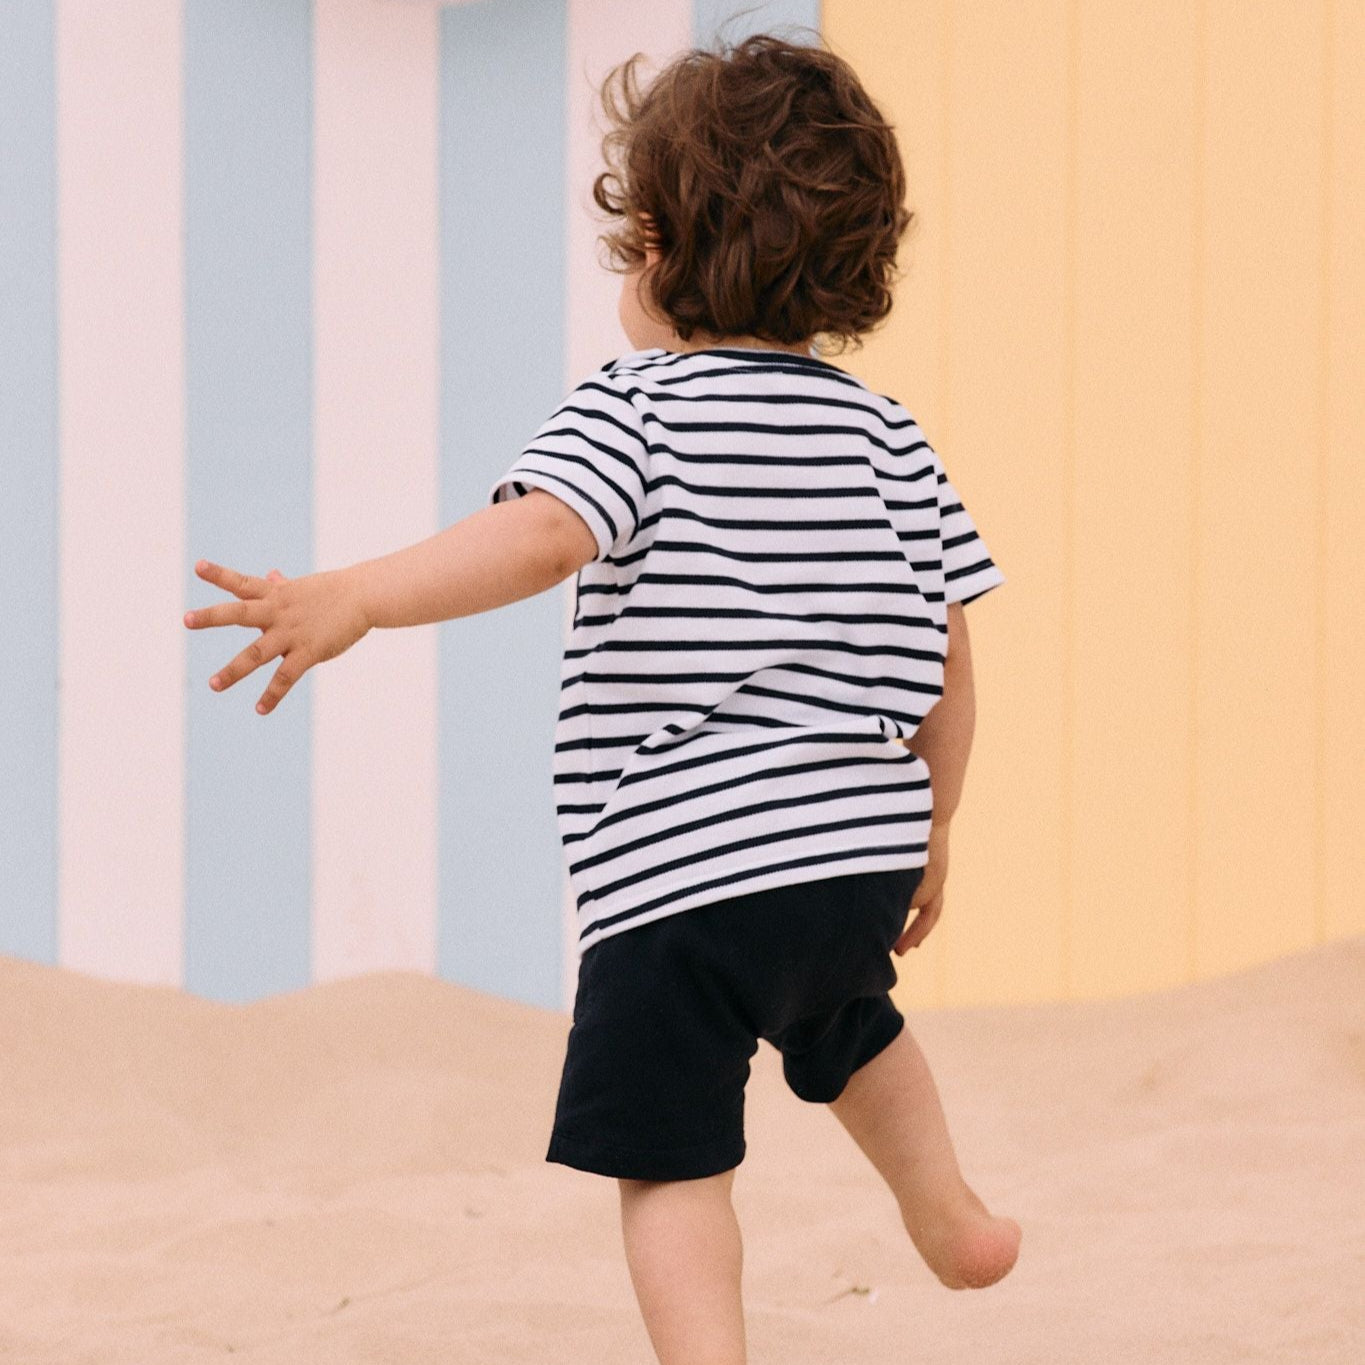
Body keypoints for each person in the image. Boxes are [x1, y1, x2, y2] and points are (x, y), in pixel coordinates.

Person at [184, 31, 1022, 1365]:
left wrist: (356, 594)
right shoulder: (886, 434)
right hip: (850, 853)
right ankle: (950, 1211)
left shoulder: (632, 407)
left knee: (671, 1155)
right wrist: (932, 834)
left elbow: (536, 537)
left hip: (680, 874)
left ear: (658, 245)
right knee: (847, 1017)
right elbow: (950, 653)